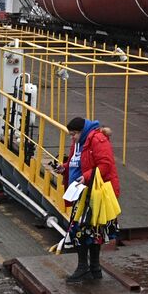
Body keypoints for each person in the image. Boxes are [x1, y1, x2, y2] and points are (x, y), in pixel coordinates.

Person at [59, 116, 121, 283]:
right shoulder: (79, 142)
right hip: (82, 193)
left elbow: (105, 165)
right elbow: (75, 162)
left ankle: (84, 268)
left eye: (73, 134)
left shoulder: (97, 140)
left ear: (82, 131)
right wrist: (63, 168)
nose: (72, 138)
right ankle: (94, 268)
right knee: (92, 231)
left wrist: (85, 177)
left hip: (93, 194)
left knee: (83, 230)